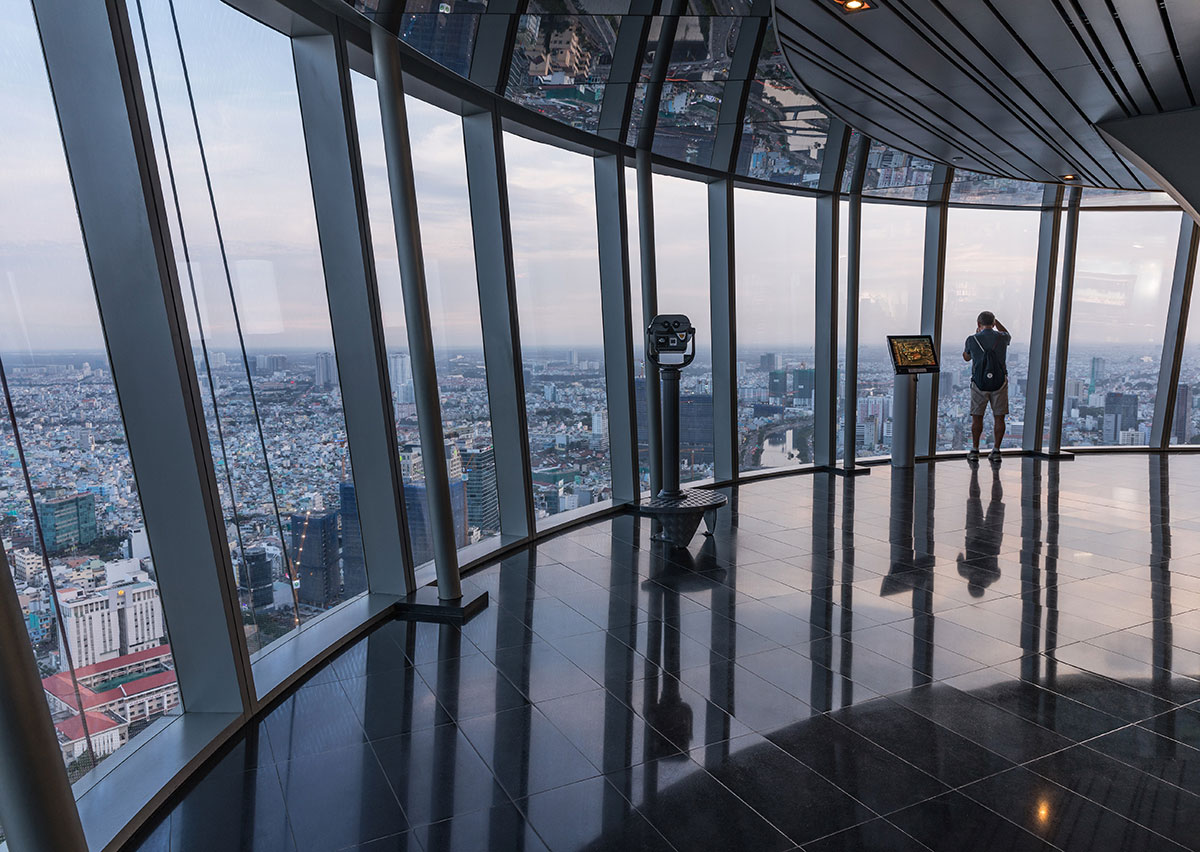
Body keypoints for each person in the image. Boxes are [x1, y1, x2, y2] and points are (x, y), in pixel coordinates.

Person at [963, 310, 1010, 462]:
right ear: (994, 323)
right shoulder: (1002, 338)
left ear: (978, 324)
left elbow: (966, 357)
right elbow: (1007, 333)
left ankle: (975, 450)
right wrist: (997, 324)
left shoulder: (972, 339)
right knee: (999, 417)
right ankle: (996, 451)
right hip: (999, 382)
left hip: (979, 383)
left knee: (977, 418)